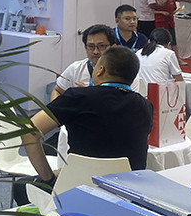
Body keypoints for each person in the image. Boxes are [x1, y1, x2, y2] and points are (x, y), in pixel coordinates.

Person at [20, 46, 153, 189]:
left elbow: (29, 132)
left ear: (100, 70)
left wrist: (49, 178)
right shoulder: (146, 106)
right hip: (129, 191)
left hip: (79, 188)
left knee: (21, 187)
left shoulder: (77, 97)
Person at [51, 24, 116, 100]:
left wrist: (89, 93)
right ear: (85, 47)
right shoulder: (76, 69)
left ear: (113, 47)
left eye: (101, 46)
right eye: (90, 46)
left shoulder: (123, 72)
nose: (95, 51)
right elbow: (57, 90)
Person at [155, 0, 186, 66]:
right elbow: (152, 11)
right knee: (161, 42)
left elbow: (174, 8)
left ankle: (177, 59)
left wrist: (173, 12)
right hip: (160, 22)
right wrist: (162, 12)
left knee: (173, 42)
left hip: (170, 22)